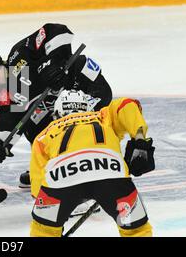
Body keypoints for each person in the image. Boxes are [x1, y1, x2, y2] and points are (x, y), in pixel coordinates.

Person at [0, 23, 112, 189]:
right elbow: (9, 124)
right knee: (31, 122)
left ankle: (91, 158)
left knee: (78, 74)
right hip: (59, 114)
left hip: (88, 92)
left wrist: (55, 62)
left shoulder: (18, 56)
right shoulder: (3, 96)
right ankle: (52, 162)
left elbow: (57, 30)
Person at [27, 90, 155, 237]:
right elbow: (128, 104)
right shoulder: (103, 116)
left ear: (56, 113)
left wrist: (49, 218)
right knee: (136, 231)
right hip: (111, 174)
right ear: (88, 108)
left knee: (43, 232)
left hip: (61, 178)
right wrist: (139, 139)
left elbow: (37, 186)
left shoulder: (44, 134)